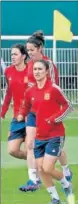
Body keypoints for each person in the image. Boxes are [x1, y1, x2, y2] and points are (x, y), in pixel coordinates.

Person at [18, 59, 73, 204]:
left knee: (48, 167)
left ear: (47, 71)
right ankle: (54, 197)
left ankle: (66, 184)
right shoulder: (30, 91)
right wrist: (21, 114)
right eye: (35, 69)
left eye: (40, 69)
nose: (37, 72)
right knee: (41, 169)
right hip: (40, 135)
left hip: (55, 134)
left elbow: (68, 106)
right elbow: (26, 105)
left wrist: (55, 119)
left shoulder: (53, 88)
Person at [24, 30, 72, 192]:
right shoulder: (29, 65)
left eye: (32, 50)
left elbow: (52, 86)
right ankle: (33, 179)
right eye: (28, 50)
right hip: (33, 109)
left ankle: (65, 169)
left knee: (54, 142)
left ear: (40, 48)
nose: (29, 53)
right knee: (30, 143)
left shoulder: (48, 64)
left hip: (47, 109)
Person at [1, 44, 41, 191]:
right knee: (12, 150)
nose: (12, 56)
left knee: (30, 146)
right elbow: (9, 92)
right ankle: (38, 161)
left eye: (15, 54)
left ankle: (33, 180)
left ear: (24, 56)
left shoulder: (31, 70)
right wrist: (3, 111)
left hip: (31, 116)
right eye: (11, 54)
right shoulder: (8, 71)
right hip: (17, 117)